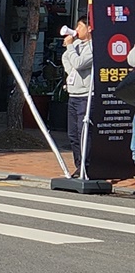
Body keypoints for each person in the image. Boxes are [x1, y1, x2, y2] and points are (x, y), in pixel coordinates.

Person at [61, 16, 94, 178]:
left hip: (85, 96)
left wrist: (70, 48)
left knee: (84, 133)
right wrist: (71, 49)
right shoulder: (75, 45)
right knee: (73, 134)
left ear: (89, 28)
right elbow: (68, 60)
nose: (77, 30)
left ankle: (86, 167)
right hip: (73, 95)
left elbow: (80, 63)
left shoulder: (93, 47)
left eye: (80, 27)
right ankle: (78, 165)